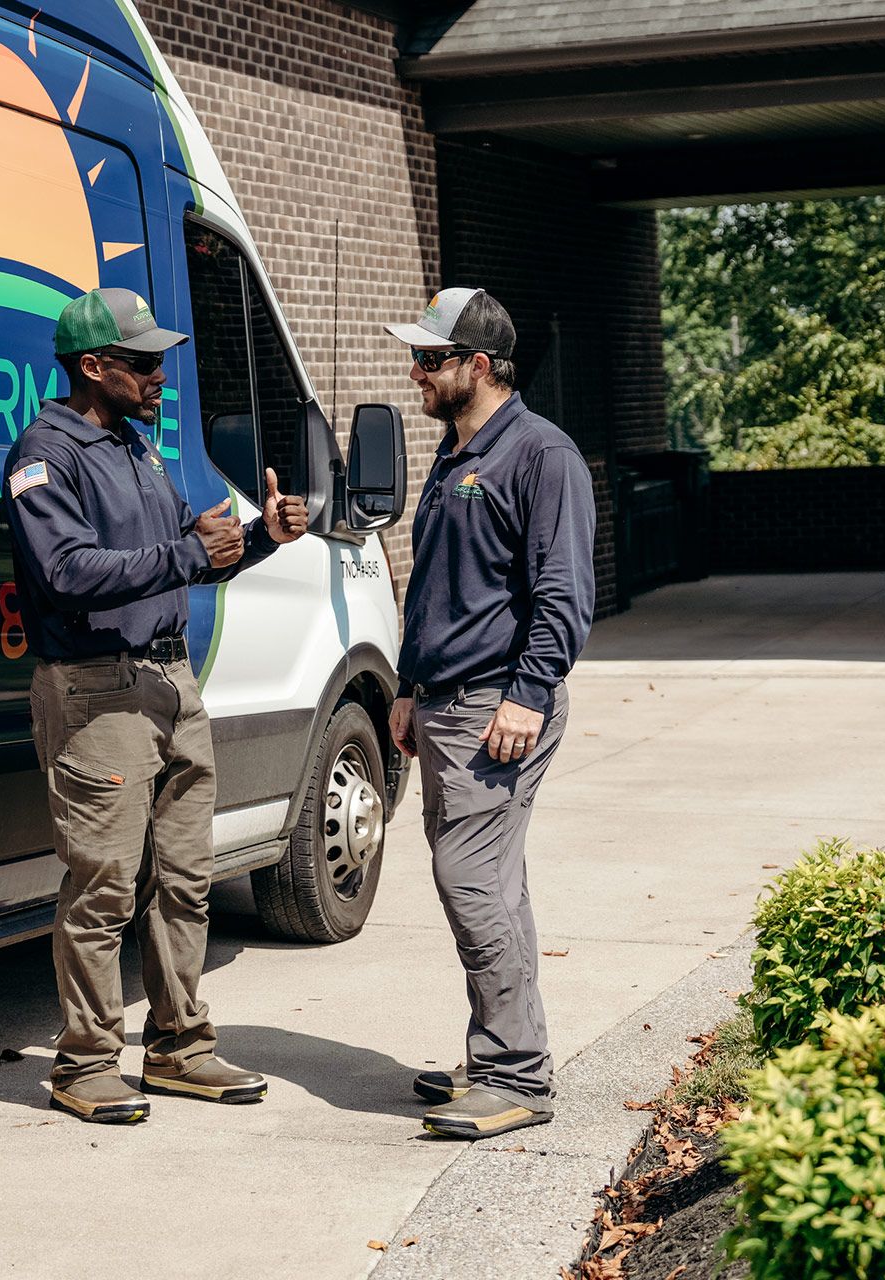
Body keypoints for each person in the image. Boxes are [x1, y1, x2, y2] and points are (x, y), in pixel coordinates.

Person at [4, 287, 309, 1124]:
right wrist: (183, 549)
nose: (159, 374)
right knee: (103, 885)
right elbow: (65, 572)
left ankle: (180, 1048)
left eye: (160, 359)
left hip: (172, 683)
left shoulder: (135, 448)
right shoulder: (45, 453)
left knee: (185, 878)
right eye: (141, 361)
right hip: (96, 689)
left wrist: (257, 541)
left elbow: (190, 558)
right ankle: (86, 1063)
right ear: (92, 366)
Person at [382, 288, 596, 1139]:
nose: (416, 372)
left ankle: (517, 1078)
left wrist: (528, 694)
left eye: (431, 359)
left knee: (470, 881)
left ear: (478, 366)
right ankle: (503, 1056)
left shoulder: (542, 456)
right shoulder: (454, 453)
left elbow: (563, 594)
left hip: (495, 705)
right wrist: (406, 685)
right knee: (489, 884)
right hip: (443, 701)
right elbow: (435, 591)